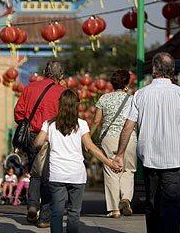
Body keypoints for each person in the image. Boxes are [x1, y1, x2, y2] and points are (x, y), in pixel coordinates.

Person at [113, 52, 180, 233]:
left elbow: (128, 127)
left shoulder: (141, 94)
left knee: (152, 204)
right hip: (173, 159)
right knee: (171, 204)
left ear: (154, 70)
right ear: (172, 71)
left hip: (149, 159)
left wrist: (120, 153)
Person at [34, 89, 120, 233]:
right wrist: (109, 162)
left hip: (57, 175)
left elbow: (37, 142)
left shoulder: (49, 124)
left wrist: (48, 138)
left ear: (60, 104)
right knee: (74, 212)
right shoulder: (81, 124)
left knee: (56, 213)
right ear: (76, 106)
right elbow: (90, 147)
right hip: (76, 175)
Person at [14, 61, 66, 227]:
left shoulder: (30, 88)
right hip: (53, 137)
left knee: (35, 173)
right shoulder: (62, 92)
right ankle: (44, 217)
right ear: (61, 75)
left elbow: (18, 113)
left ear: (45, 71)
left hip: (32, 135)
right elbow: (68, 116)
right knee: (50, 176)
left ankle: (32, 204)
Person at [92, 69, 136, 218]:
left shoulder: (104, 98)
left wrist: (88, 136)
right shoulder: (132, 99)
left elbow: (97, 121)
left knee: (111, 171)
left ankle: (114, 209)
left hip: (109, 138)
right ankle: (126, 198)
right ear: (127, 83)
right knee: (128, 170)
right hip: (129, 137)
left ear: (112, 83)